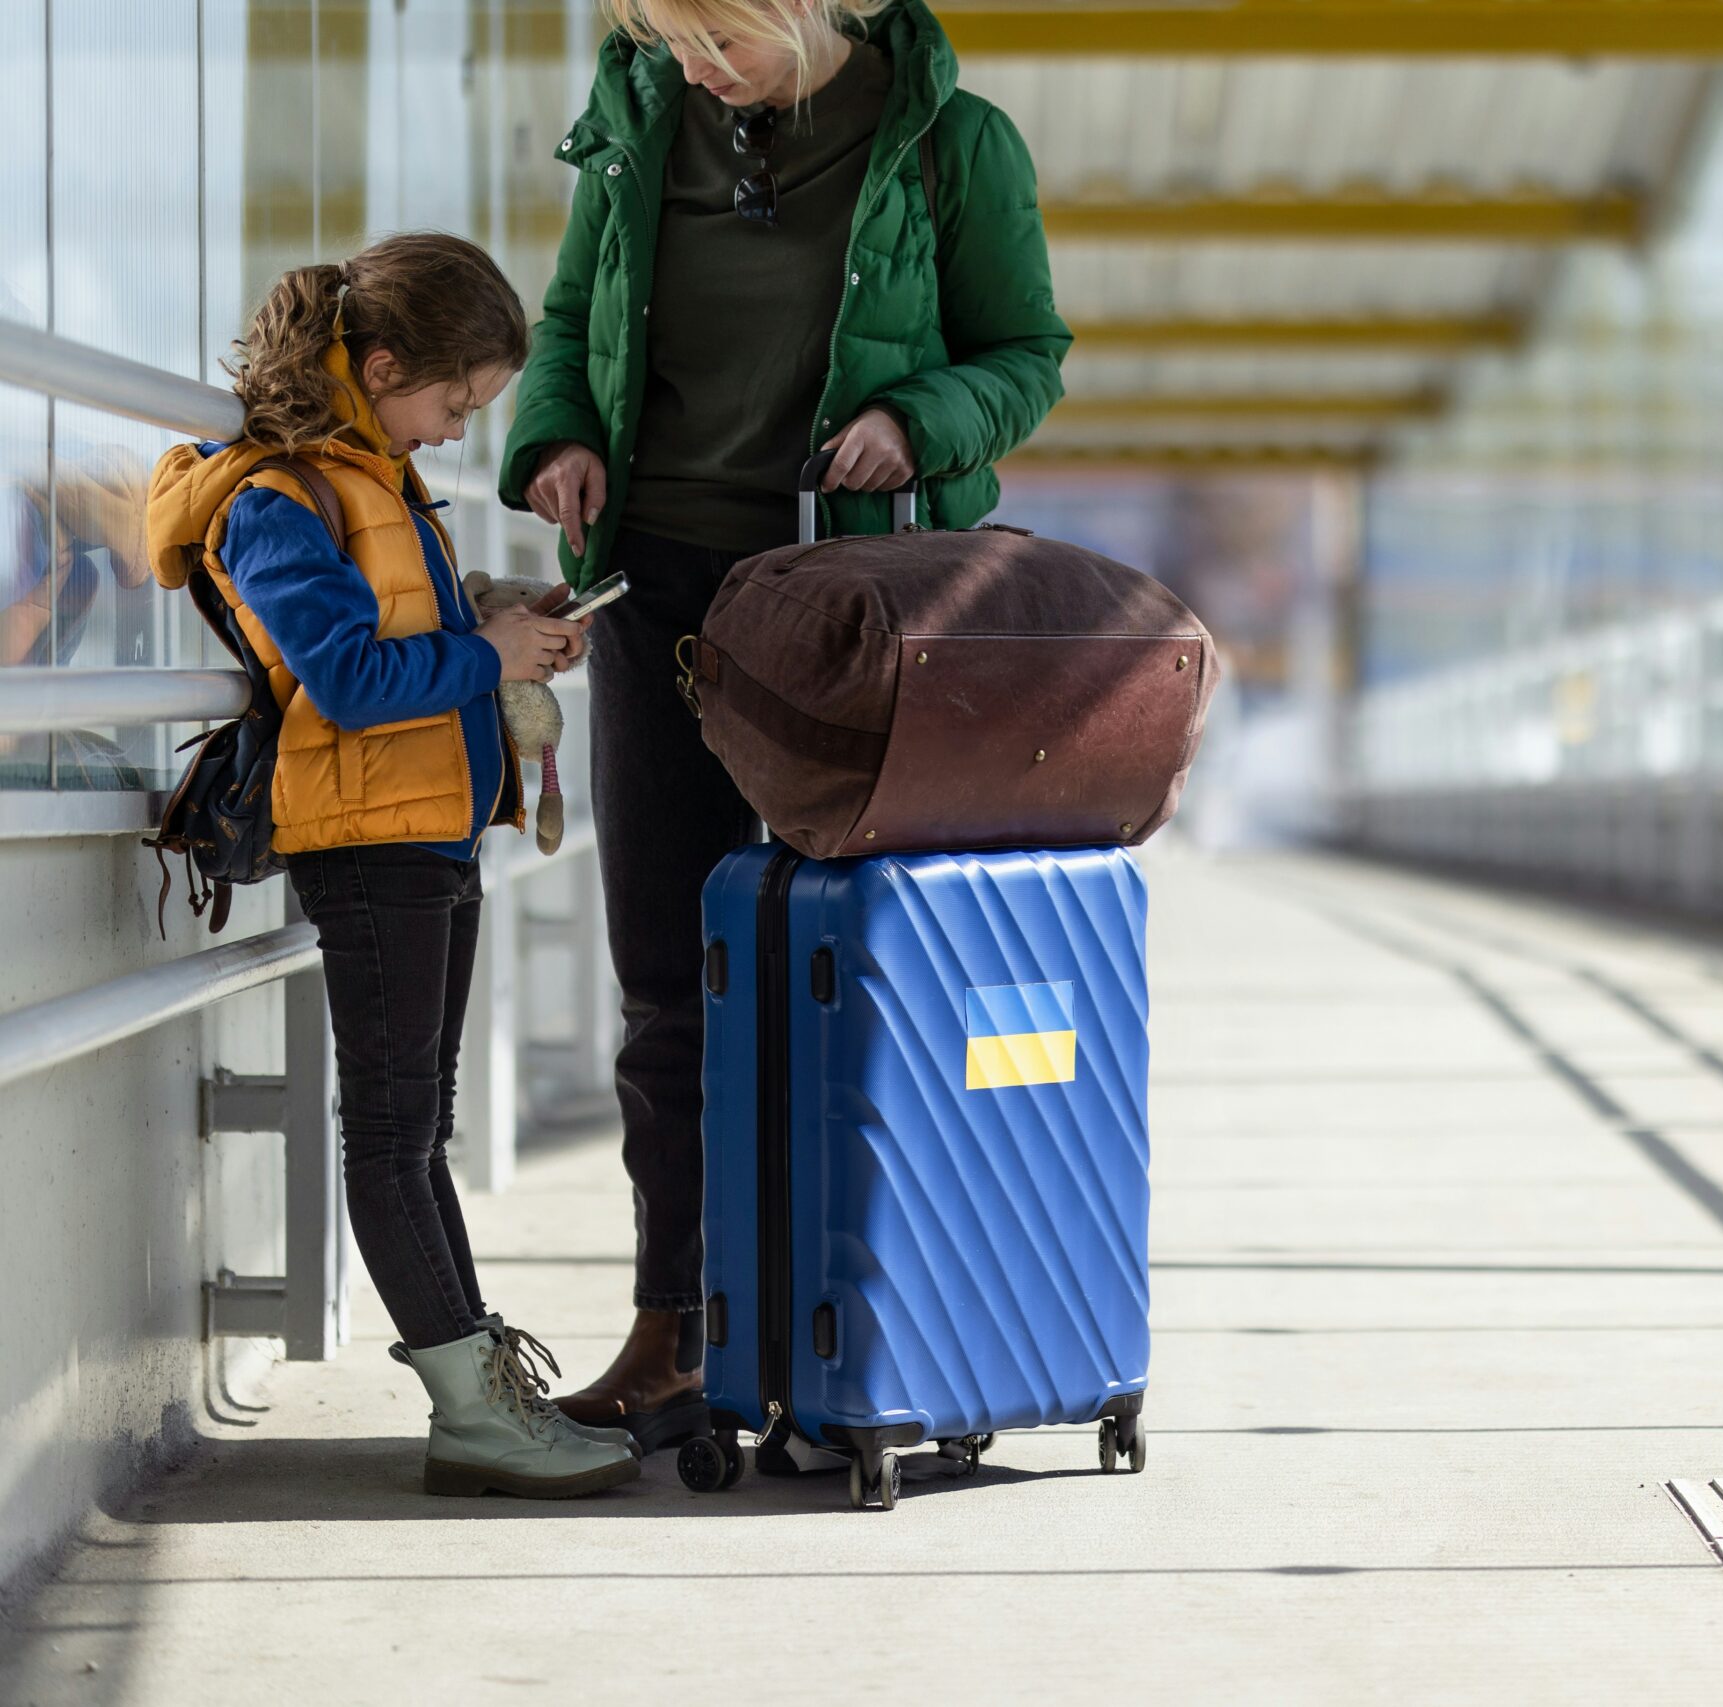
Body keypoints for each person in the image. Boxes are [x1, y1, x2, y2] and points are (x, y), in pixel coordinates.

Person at [499, 0, 1070, 1450]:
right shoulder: (634, 136)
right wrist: (556, 435)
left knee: (871, 971)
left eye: (717, 39)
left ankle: (877, 1331)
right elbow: (570, 324)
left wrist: (922, 422)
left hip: (851, 605)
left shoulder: (954, 149)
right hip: (658, 594)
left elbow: (1026, 355)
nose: (690, 68)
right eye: (663, 34)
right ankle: (677, 1328)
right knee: (667, 979)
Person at [146, 233, 636, 1498]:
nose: (456, 434)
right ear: (378, 366)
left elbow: (406, 637)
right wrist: (494, 657)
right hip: (368, 847)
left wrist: (503, 623)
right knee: (394, 1131)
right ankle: (472, 1413)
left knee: (420, 1130)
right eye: (453, 403)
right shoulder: (274, 501)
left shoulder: (369, 480)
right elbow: (352, 681)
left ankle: (484, 1393)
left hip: (425, 834)